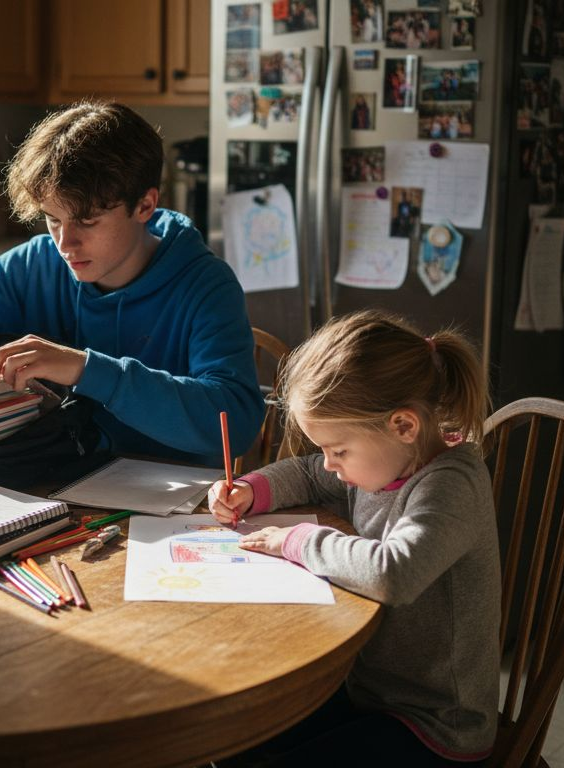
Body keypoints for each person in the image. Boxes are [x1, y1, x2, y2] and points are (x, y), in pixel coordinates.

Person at [0, 101, 264, 467]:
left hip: (177, 505)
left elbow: (237, 422)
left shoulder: (206, 285)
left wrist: (85, 370)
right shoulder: (39, 262)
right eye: (52, 219)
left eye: (87, 221)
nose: (65, 243)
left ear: (145, 206)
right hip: (57, 483)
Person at [209, 309, 499, 766]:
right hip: (368, 693)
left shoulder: (451, 484)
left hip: (436, 725)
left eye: (338, 450)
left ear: (403, 426)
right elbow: (307, 475)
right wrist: (251, 489)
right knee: (230, 740)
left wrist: (297, 541)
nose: (328, 463)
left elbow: (394, 572)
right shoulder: (384, 463)